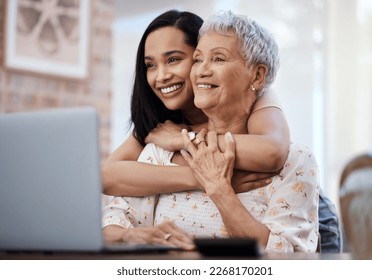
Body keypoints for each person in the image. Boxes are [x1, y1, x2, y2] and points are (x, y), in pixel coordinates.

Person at [103, 10, 320, 253]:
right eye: (198, 59)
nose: (162, 76)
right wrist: (200, 176)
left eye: (218, 59)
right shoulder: (158, 145)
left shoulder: (291, 154)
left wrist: (217, 185)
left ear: (257, 76)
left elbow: (286, 256)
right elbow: (110, 204)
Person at [102, 10, 290, 198]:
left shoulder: (256, 95)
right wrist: (203, 176)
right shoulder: (160, 120)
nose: (161, 76)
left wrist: (186, 140)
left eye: (173, 59)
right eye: (151, 65)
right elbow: (105, 176)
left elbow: (272, 151)